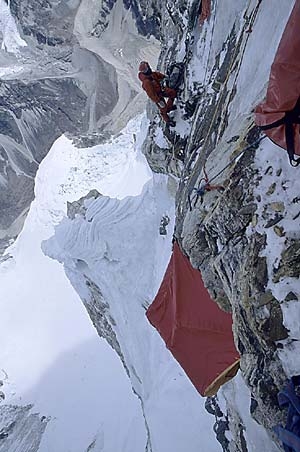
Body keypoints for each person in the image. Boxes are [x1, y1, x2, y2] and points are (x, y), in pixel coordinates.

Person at [138, 61, 177, 126]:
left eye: (147, 68)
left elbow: (158, 75)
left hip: (161, 90)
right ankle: (168, 121)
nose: (148, 69)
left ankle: (169, 107)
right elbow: (151, 94)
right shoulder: (146, 82)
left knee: (172, 93)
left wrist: (164, 77)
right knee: (163, 109)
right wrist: (158, 101)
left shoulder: (151, 75)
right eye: (146, 69)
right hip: (157, 96)